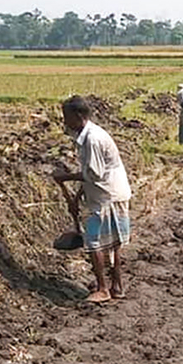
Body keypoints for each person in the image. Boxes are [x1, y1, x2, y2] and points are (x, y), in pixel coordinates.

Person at [54, 95, 132, 304]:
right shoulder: (86, 136)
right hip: (110, 193)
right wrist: (78, 196)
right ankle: (117, 286)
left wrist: (65, 177)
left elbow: (94, 174)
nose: (64, 121)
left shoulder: (93, 139)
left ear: (78, 116)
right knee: (113, 242)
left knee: (94, 242)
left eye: (66, 116)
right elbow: (91, 172)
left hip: (108, 196)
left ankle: (103, 289)